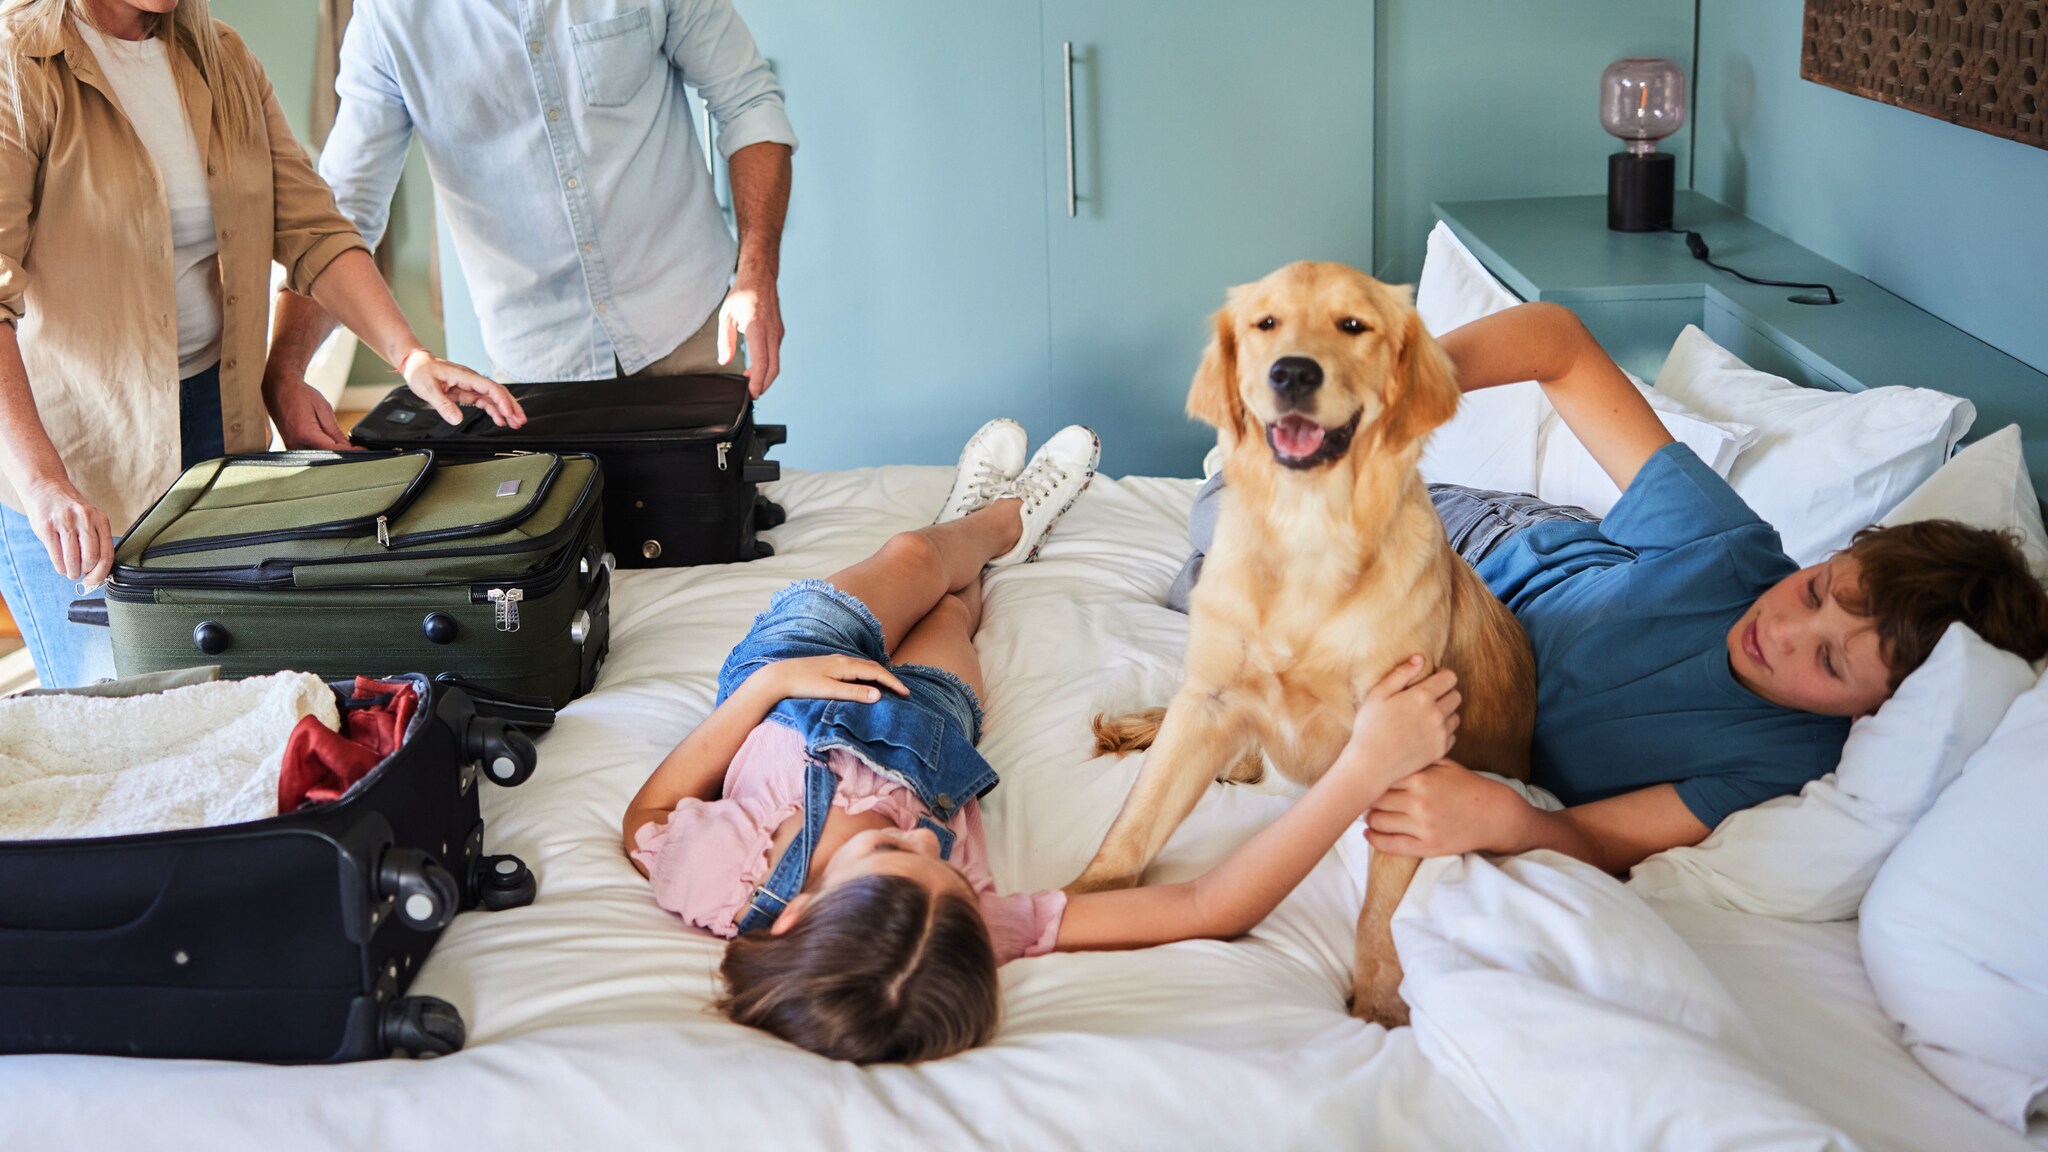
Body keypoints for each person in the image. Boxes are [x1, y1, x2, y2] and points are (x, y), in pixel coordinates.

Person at [622, 420, 1464, 1063]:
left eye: (892, 849)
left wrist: (771, 685)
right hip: (930, 727)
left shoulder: (728, 886)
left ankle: (989, 519)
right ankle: (986, 549)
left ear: (799, 914)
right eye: (944, 865)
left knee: (913, 555)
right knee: (955, 612)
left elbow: (650, 812)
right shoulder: (957, 932)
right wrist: (1365, 768)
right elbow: (1209, 908)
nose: (926, 834)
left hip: (794, 673)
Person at [1171, 302, 2048, 875]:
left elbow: (1595, 838)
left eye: (1827, 660)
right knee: (1224, 508)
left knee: (1225, 591)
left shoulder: (1785, 760)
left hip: (1445, 662)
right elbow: (1558, 342)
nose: (1783, 630)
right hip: (1489, 543)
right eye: (1817, 592)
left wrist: (1507, 822)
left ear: (1873, 712)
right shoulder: (1732, 552)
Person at [0, 0, 522, 688]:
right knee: (122, 725)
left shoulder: (224, 59)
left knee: (235, 701)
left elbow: (313, 228)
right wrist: (42, 483)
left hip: (223, 442)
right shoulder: (20, 65)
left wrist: (409, 356)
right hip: (78, 464)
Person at [261, 0, 798, 425]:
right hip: (538, 373)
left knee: (713, 532)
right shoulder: (389, 18)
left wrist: (756, 272)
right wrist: (286, 369)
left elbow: (747, 101)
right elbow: (339, 217)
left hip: (690, 326)